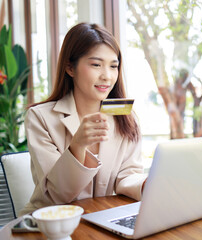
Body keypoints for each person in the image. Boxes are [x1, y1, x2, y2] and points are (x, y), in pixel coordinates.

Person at [20, 22, 147, 215]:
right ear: (70, 68)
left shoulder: (126, 119)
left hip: (99, 218)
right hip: (49, 224)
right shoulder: (40, 118)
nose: (107, 76)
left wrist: (147, 185)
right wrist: (77, 146)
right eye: (96, 65)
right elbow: (57, 195)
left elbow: (127, 175)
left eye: (114, 66)